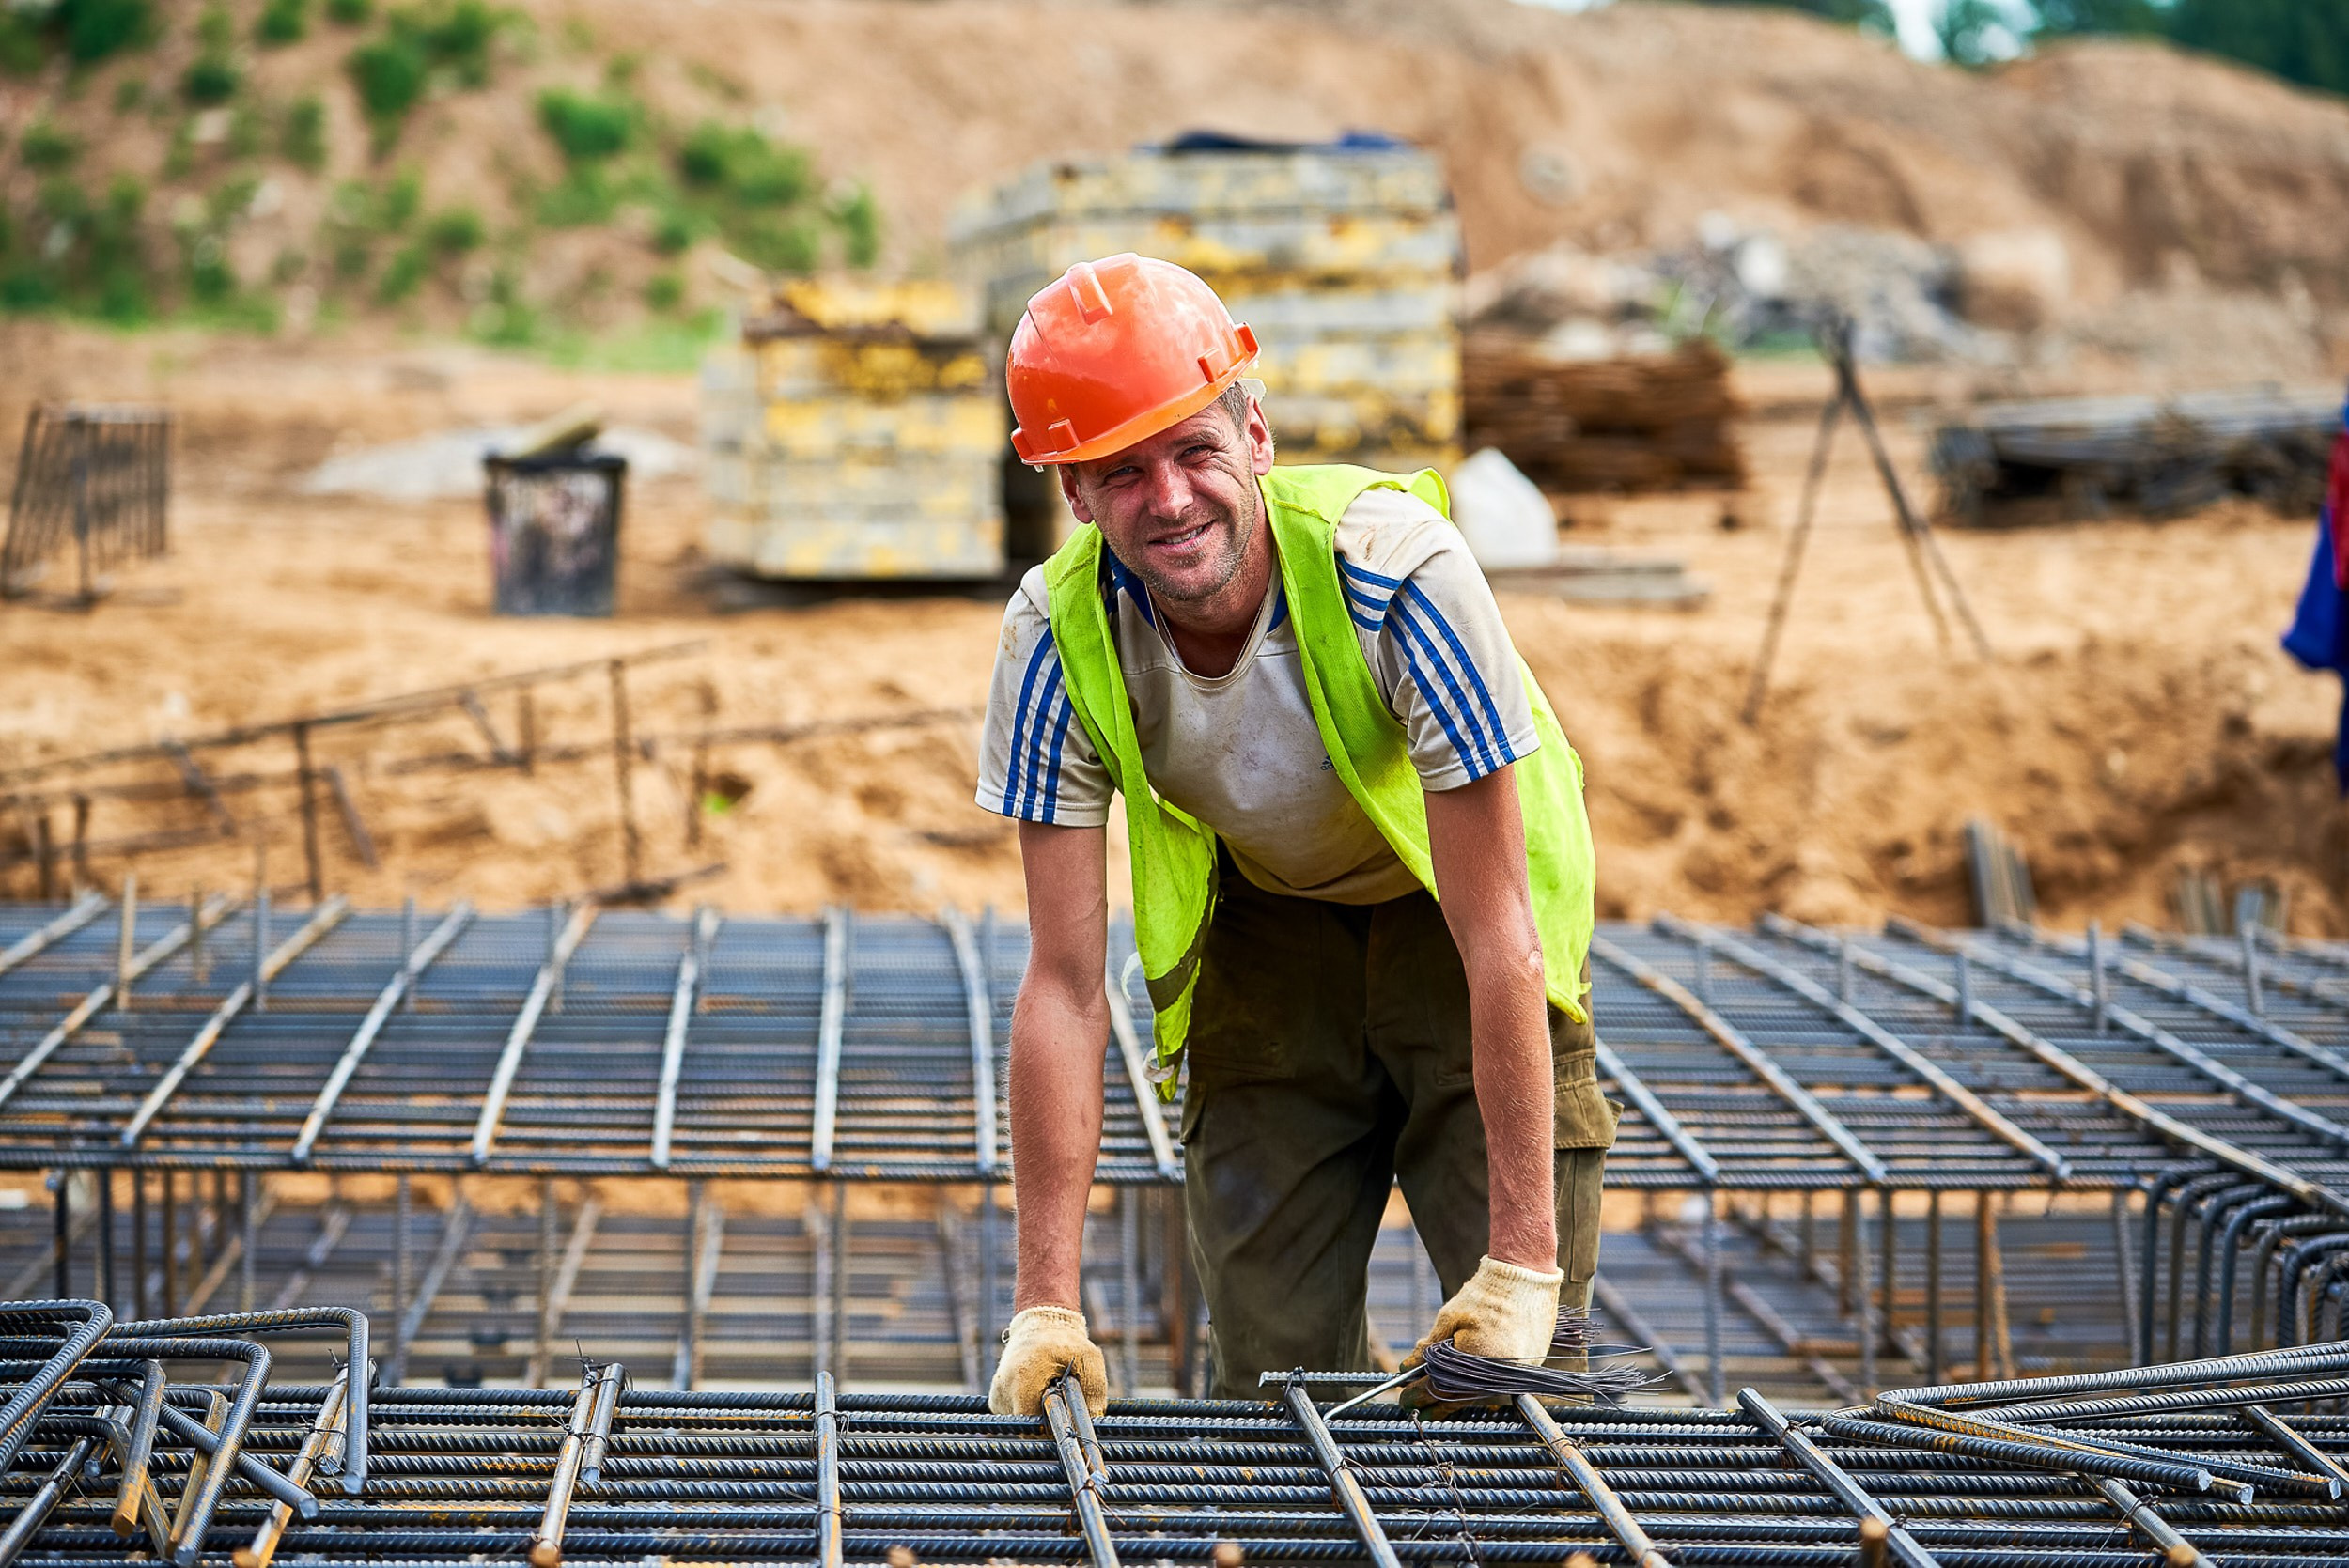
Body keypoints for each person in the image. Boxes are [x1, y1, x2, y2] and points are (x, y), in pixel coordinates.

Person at [973, 253, 1612, 1413]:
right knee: (1274, 1393)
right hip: (1269, 934)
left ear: (1255, 438)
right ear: (1073, 495)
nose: (1167, 498)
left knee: (1519, 1389)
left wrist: (1521, 1260)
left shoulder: (1398, 575)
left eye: (1194, 451)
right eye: (1120, 471)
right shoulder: (1054, 637)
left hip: (1457, 923)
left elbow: (1496, 930)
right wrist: (1045, 1303)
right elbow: (1062, 987)